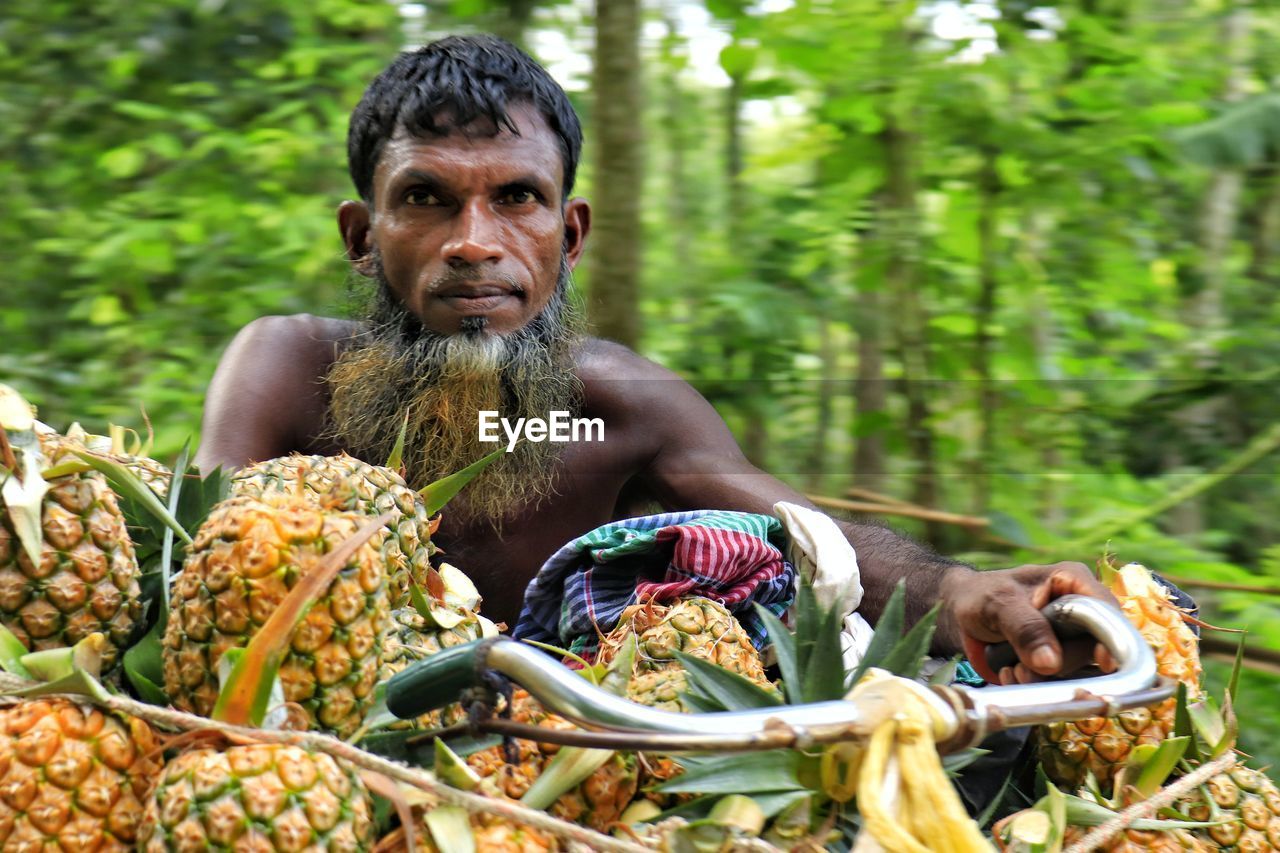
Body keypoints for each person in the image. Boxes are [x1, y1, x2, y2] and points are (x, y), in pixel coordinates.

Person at [195, 34, 1113, 686]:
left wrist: (960, 591)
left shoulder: (622, 404)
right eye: (427, 198)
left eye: (518, 197)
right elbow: (194, 565)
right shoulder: (286, 373)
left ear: (571, 231)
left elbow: (807, 535)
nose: (475, 242)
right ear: (364, 237)